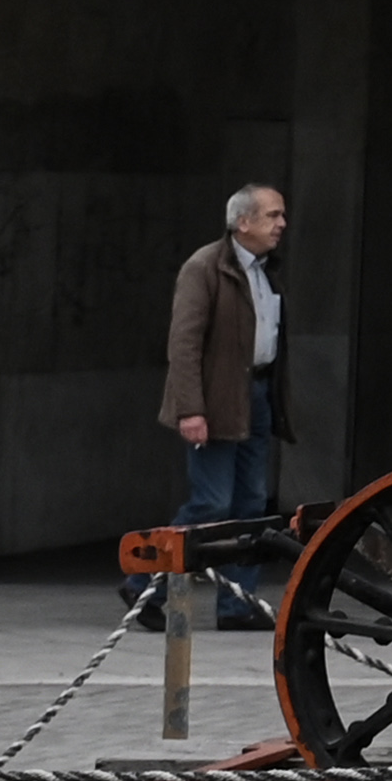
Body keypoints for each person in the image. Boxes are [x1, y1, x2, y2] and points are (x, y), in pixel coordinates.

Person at [157, 182, 290, 629]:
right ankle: (146, 585)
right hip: (215, 402)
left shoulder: (267, 269)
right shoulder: (205, 268)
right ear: (243, 222)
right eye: (272, 215)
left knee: (252, 502)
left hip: (256, 395)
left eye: (281, 215)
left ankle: (238, 603)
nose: (281, 225)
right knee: (212, 503)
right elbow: (185, 343)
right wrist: (190, 408)